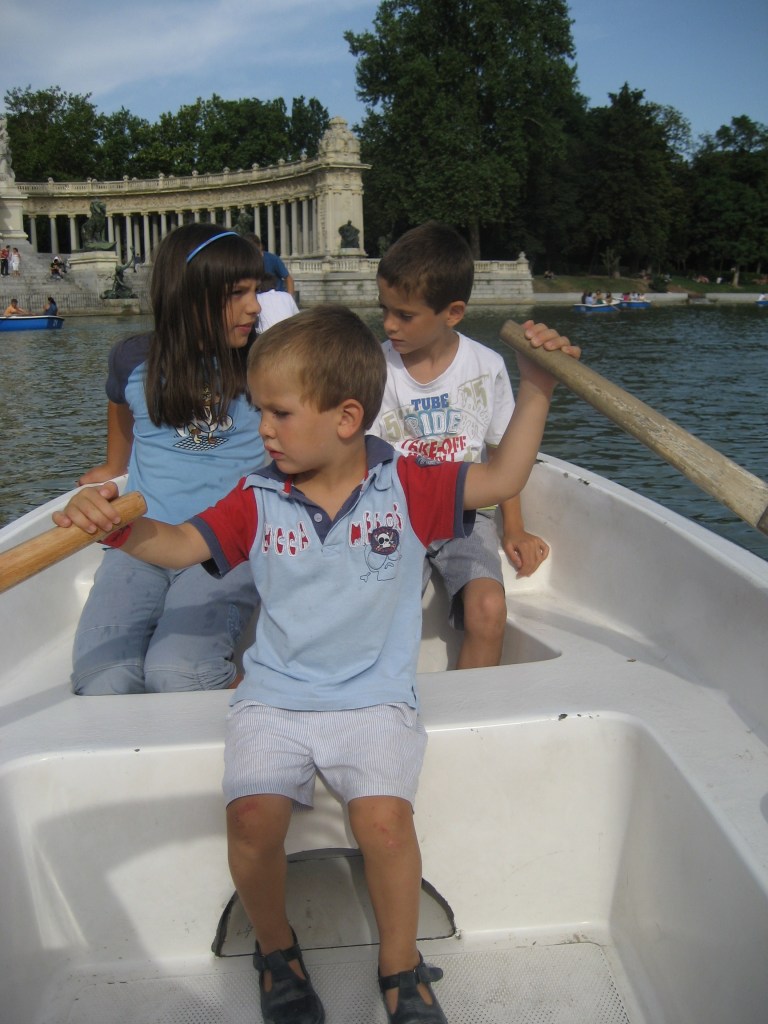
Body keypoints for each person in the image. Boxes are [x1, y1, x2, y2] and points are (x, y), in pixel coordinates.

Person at [55, 305, 579, 1024]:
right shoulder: (256, 495)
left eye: (277, 412)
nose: (262, 429)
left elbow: (505, 473)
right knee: (251, 820)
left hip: (374, 697)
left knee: (386, 825)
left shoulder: (410, 484)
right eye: (260, 410)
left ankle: (400, 963)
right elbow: (177, 544)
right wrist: (118, 527)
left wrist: (538, 386)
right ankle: (278, 952)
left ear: (346, 418)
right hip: (275, 696)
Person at [68, 223, 266, 695]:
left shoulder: (267, 360)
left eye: (256, 290)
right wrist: (114, 464)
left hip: (224, 548)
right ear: (189, 297)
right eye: (237, 294)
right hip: (141, 542)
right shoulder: (131, 359)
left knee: (178, 674)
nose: (255, 306)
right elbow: (120, 404)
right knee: (101, 680)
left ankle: (266, 698)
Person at [370, 222, 553, 669]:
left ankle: (475, 706)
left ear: (452, 313)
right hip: (395, 514)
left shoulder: (485, 365)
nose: (389, 325)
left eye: (404, 315)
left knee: (489, 609)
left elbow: (502, 453)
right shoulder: (373, 368)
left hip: (467, 517)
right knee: (378, 614)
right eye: (384, 309)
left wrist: (514, 527)